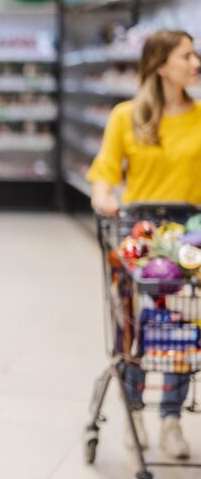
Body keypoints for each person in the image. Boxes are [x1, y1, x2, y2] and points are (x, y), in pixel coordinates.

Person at [88, 29, 201, 459]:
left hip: (189, 238)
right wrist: (104, 199)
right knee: (133, 327)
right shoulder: (126, 116)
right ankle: (135, 410)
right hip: (137, 239)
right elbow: (105, 172)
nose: (196, 64)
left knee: (183, 329)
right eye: (187, 56)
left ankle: (171, 418)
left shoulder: (200, 115)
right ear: (160, 63)